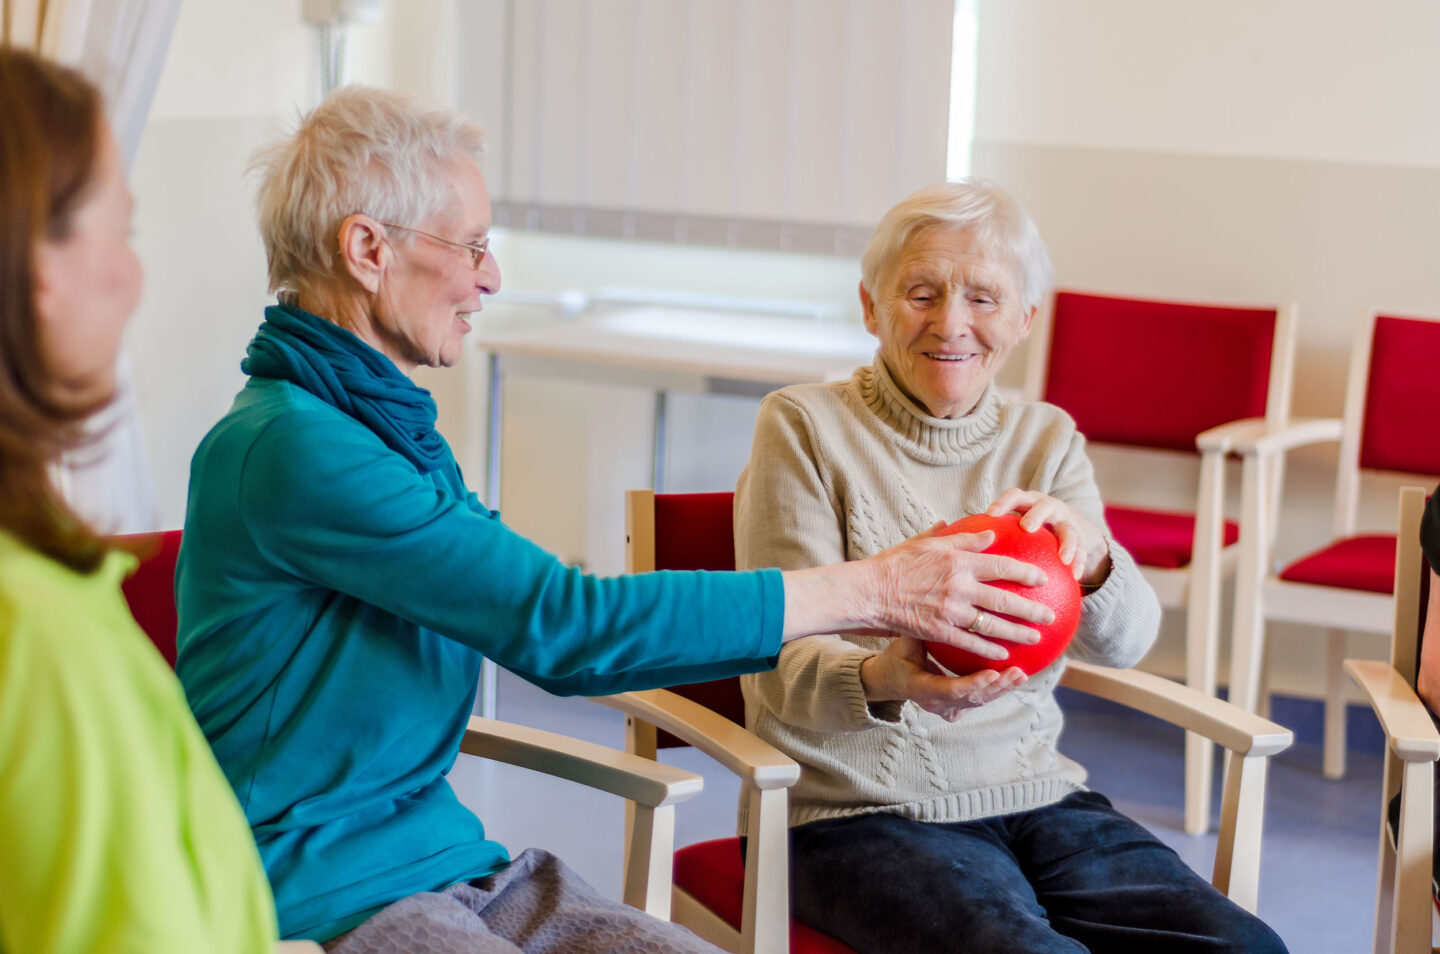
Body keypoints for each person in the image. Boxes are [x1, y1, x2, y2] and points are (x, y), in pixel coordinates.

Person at [174, 87, 1057, 954]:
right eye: (473, 245)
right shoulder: (293, 449)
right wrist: (878, 590)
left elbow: (578, 628)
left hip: (457, 865)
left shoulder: (381, 425)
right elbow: (565, 626)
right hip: (319, 894)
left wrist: (870, 626)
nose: (491, 275)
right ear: (367, 248)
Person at [733, 179, 1289, 954]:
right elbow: (776, 670)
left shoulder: (1046, 439)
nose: (951, 324)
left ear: (1025, 320)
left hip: (1041, 796)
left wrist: (1093, 559)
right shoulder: (803, 426)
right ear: (871, 307)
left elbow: (1124, 643)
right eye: (920, 292)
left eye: (984, 300)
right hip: (850, 814)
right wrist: (888, 679)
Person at [0, 48, 279, 953]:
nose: (132, 278)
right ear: (37, 269)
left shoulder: (45, 583)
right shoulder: (36, 633)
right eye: (117, 234)